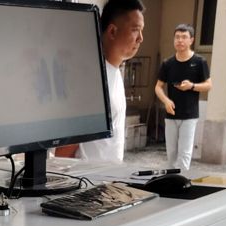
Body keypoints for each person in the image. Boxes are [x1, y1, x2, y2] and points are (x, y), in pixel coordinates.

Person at [76, 0, 145, 162]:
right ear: (112, 31)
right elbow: (65, 147)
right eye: (135, 30)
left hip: (108, 173)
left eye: (142, 31)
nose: (140, 38)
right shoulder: (92, 77)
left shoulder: (114, 72)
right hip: (86, 174)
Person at [154, 24, 211, 171]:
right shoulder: (168, 63)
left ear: (191, 40)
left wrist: (192, 86)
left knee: (184, 154)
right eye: (177, 37)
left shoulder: (199, 62)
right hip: (171, 115)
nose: (180, 40)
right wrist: (166, 101)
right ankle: (171, 180)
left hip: (189, 115)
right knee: (171, 154)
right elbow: (158, 87)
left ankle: (182, 180)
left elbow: (208, 85)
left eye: (184, 37)